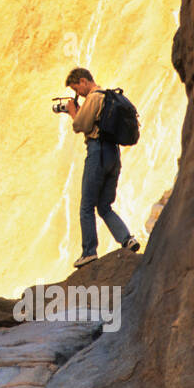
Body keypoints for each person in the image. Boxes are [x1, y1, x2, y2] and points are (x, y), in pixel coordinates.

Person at [62, 67, 140, 268]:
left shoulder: (94, 97)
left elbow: (81, 126)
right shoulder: (107, 97)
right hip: (113, 154)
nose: (77, 93)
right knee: (104, 206)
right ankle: (127, 239)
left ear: (83, 81)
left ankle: (89, 252)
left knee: (86, 206)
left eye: (76, 88)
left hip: (97, 152)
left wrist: (73, 113)